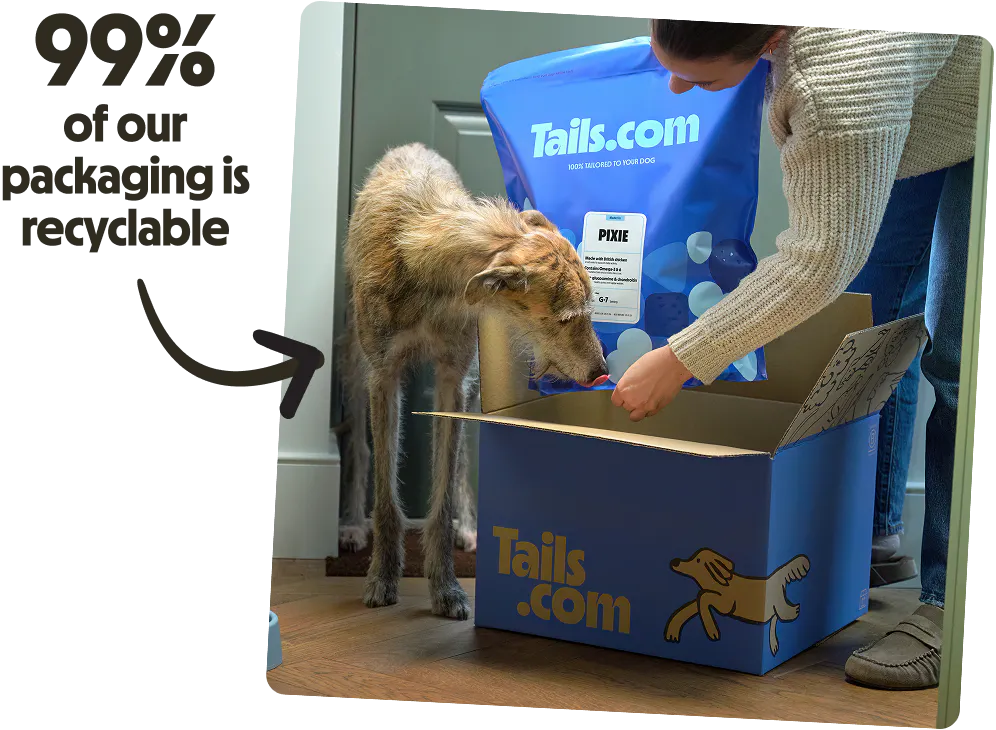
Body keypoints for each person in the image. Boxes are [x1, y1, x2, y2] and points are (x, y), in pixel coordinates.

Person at [612, 18, 982, 690]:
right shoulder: (812, 65)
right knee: (866, 321)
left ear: (770, 39)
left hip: (969, 81)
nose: (673, 87)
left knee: (961, 358)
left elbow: (817, 264)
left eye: (696, 76)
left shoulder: (837, 75)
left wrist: (683, 356)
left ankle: (949, 606)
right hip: (928, 78)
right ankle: (866, 539)